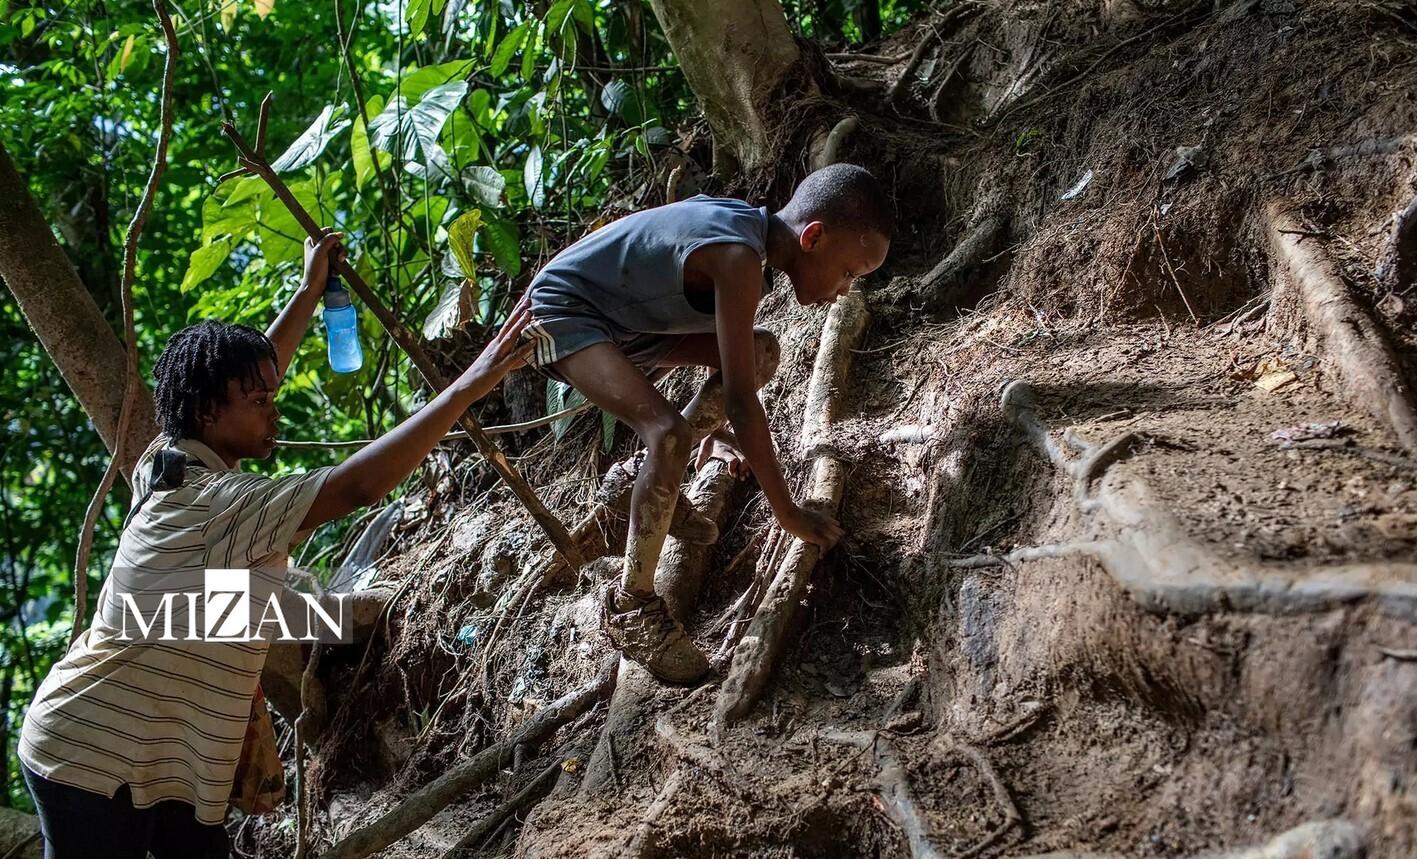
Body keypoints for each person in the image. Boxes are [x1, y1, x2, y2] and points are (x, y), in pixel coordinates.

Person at [17, 231, 531, 858]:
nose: (273, 411)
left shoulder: (167, 460)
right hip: (94, 752)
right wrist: (467, 387)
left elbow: (252, 373)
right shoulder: (213, 503)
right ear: (209, 412)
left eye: (272, 397)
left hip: (165, 757)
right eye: (260, 403)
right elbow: (360, 486)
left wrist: (310, 291)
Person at [522, 163, 893, 684]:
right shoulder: (740, 256)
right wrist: (787, 513)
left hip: (623, 324)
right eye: (850, 272)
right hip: (561, 311)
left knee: (762, 352)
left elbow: (731, 359)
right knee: (667, 434)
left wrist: (714, 434)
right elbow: (742, 402)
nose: (844, 290)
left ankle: (639, 480)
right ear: (812, 238)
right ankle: (632, 608)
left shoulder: (747, 236)